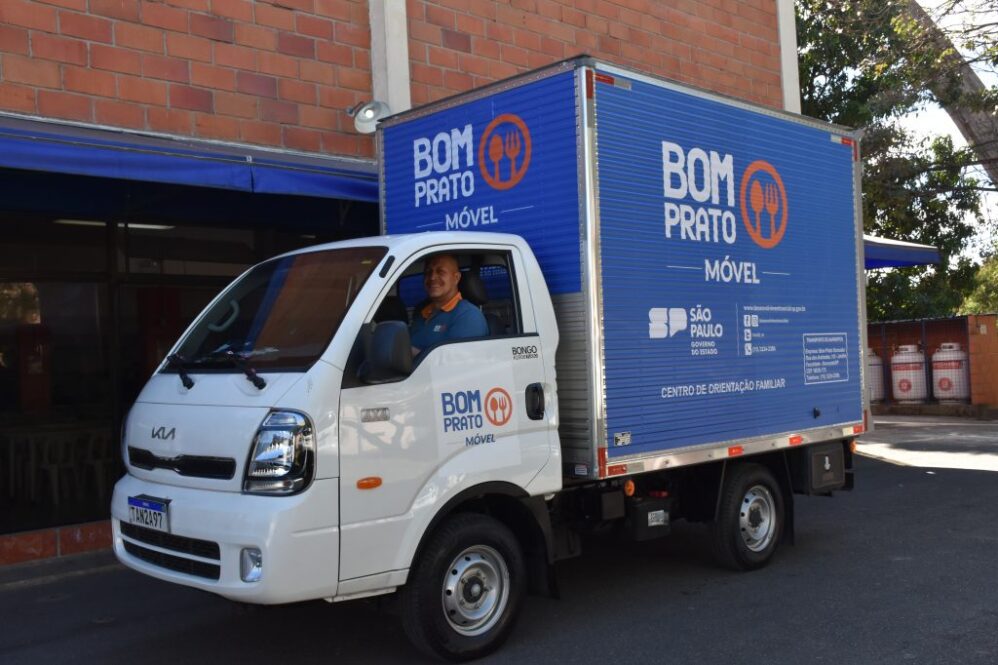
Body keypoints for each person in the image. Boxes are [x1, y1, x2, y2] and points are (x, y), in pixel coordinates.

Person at [409, 253, 488, 354]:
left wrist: (408, 354)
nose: (432, 277)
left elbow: (457, 361)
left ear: (456, 278)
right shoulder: (421, 313)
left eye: (440, 272)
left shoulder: (469, 316)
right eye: (428, 272)